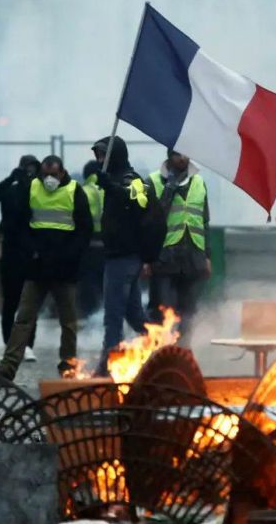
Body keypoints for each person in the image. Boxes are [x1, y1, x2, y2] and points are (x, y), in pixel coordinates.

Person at [0, 155, 92, 380]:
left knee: (68, 322)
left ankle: (68, 366)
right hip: (37, 267)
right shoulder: (31, 188)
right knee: (24, 319)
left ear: (62, 173)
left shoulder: (75, 191)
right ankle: (8, 367)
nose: (49, 179)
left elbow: (84, 230)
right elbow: (20, 224)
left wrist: (69, 255)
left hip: (63, 268)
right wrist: (32, 250)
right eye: (45, 174)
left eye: (53, 175)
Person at [91, 136, 150, 375]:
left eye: (104, 154)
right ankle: (163, 342)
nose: (100, 160)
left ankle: (107, 369)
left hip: (124, 258)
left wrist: (112, 188)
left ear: (115, 154)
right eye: (98, 155)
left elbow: (139, 202)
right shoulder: (113, 179)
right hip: (118, 256)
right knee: (135, 316)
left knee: (113, 316)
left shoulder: (130, 178)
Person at [145, 149, 210, 344]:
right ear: (169, 156)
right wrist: (169, 189)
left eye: (185, 154)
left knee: (188, 311)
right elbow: (149, 221)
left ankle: (183, 349)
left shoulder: (199, 183)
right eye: (177, 155)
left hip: (192, 256)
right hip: (164, 256)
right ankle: (158, 351)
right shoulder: (153, 181)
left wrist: (207, 257)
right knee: (161, 309)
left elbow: (204, 222)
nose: (182, 158)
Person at [0, 154, 41, 359]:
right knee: (10, 302)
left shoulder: (38, 193)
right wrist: (11, 179)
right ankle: (9, 344)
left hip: (30, 255)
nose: (30, 173)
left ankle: (27, 345)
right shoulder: (10, 191)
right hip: (10, 254)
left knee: (29, 303)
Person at [77, 159, 105, 317]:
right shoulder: (108, 190)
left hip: (88, 248)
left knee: (87, 287)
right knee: (106, 288)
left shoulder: (83, 192)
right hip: (108, 248)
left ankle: (89, 319)